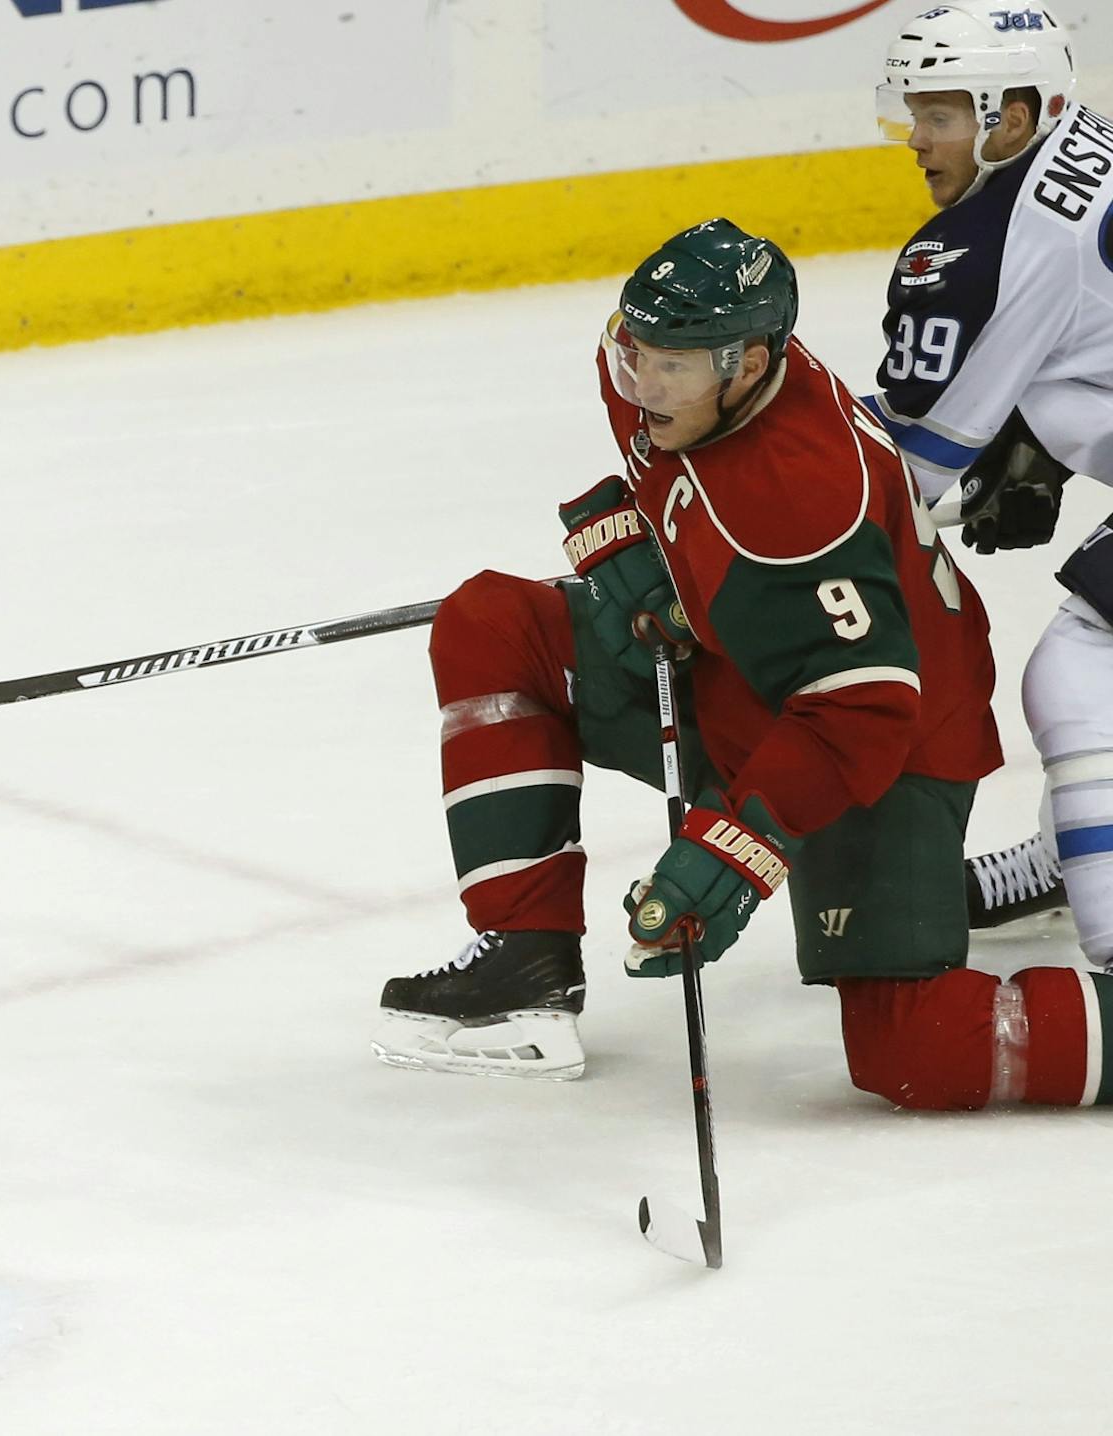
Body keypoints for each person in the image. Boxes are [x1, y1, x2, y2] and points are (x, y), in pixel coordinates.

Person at [373, 218, 1113, 1113]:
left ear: (751, 365)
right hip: (751, 674)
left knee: (917, 1052)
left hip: (887, 742)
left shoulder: (803, 501)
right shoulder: (662, 369)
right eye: (634, 348)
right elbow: (674, 479)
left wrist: (735, 849)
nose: (642, 382)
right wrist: (644, 552)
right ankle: (522, 968)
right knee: (494, 623)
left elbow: (863, 710)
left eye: (672, 366)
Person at [861, 4, 1112, 942]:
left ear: (1009, 116)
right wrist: (1038, 431)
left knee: (1082, 670)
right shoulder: (1079, 137)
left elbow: (907, 472)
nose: (917, 140)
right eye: (914, 112)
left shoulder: (981, 250)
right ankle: (1079, 841)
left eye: (939, 116)